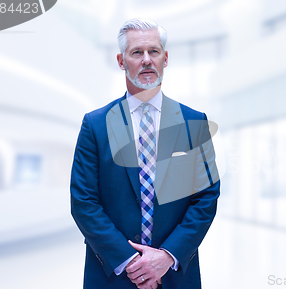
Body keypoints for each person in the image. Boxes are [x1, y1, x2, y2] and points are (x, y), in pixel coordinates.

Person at [70, 18, 220, 289]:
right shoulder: (95, 124)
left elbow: (206, 196)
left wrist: (166, 256)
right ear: (121, 61)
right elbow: (84, 201)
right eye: (137, 52)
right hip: (113, 274)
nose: (147, 59)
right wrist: (130, 262)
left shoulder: (194, 122)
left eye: (154, 51)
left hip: (175, 273)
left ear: (165, 58)